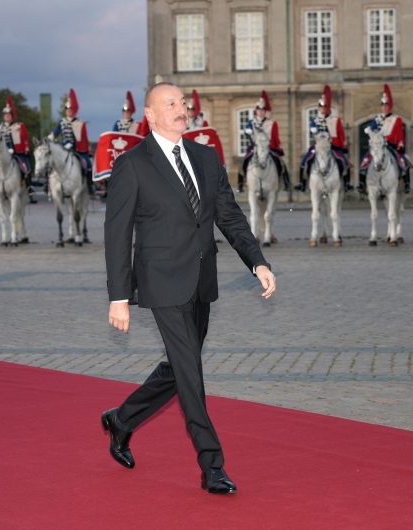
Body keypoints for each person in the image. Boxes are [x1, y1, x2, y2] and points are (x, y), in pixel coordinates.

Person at [102, 82, 276, 495]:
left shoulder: (206, 157)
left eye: (182, 102)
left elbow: (229, 217)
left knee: (180, 367)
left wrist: (257, 261)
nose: (181, 109)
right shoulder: (132, 165)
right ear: (150, 115)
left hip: (202, 280)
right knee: (191, 374)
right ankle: (212, 464)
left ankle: (122, 419)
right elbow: (117, 234)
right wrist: (119, 297)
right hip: (161, 282)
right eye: (171, 104)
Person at [359, 84, 412, 194]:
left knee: (403, 161)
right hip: (378, 146)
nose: (384, 107)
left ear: (390, 106)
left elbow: (400, 134)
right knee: (365, 160)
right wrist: (369, 129)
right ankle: (362, 183)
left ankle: (407, 183)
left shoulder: (396, 119)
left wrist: (401, 144)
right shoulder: (377, 118)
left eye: (386, 105)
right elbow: (372, 127)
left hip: (390, 145)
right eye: (383, 105)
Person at [297, 85, 351, 193]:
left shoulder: (335, 120)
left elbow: (340, 134)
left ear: (328, 107)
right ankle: (302, 183)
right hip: (318, 147)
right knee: (304, 161)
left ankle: (346, 183)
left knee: (345, 161)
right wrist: (313, 129)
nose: (323, 109)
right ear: (319, 108)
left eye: (325, 107)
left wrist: (342, 145)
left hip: (333, 147)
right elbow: (312, 129)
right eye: (321, 107)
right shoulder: (315, 120)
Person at [238, 90, 289, 192]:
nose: (260, 112)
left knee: (280, 162)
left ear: (265, 112)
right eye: (259, 110)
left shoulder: (271, 123)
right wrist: (247, 131)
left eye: (262, 110)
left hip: (268, 147)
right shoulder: (251, 122)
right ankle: (241, 183)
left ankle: (285, 181)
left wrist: (277, 145)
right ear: (256, 111)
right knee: (244, 161)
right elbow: (246, 131)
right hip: (255, 147)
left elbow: (275, 136)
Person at [0, 96, 33, 198]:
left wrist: (26, 148)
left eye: (9, 115)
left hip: (17, 153)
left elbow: (25, 138)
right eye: (5, 115)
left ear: (12, 116)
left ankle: (29, 187)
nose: (7, 117)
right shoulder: (0, 128)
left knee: (26, 167)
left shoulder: (19, 125)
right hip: (3, 154)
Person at [50, 88, 92, 188]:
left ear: (73, 111)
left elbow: (82, 138)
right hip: (63, 146)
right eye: (67, 109)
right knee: (51, 162)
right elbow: (56, 133)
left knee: (88, 164)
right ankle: (48, 185)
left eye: (70, 109)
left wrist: (74, 144)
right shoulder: (62, 122)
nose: (68, 111)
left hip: (75, 148)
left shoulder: (78, 122)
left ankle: (89, 186)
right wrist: (49, 138)